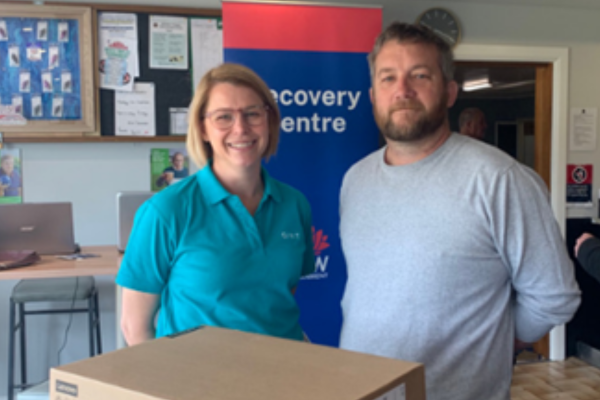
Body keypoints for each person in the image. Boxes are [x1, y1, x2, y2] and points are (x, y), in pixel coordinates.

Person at [338, 22, 580, 400]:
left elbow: (555, 297)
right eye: (388, 78)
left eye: (420, 75)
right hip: (361, 389)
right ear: (373, 94)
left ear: (450, 92)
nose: (402, 90)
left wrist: (496, 340)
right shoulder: (356, 179)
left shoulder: (500, 180)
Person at [117, 63, 315, 346]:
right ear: (203, 129)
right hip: (199, 384)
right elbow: (134, 327)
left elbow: (279, 297)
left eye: (252, 114)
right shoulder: (166, 211)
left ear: (269, 121)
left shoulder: (294, 205)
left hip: (284, 377)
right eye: (224, 117)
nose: (241, 128)